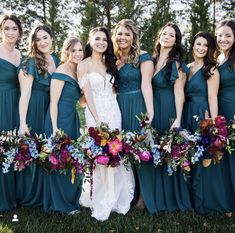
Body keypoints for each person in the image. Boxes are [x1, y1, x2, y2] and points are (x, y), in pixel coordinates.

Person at [77, 27, 135, 221]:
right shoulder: (83, 64)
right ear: (90, 41)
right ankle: (102, 196)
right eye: (97, 39)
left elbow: (113, 90)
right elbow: (88, 95)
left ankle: (116, 196)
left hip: (114, 111)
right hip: (96, 114)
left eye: (104, 39)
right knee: (99, 154)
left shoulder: (110, 62)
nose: (101, 42)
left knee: (115, 151)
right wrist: (97, 119)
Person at [112, 19, 154, 209]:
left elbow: (146, 84)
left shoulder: (143, 57)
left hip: (137, 105)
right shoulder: (113, 58)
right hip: (118, 106)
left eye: (127, 34)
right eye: (120, 33)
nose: (123, 37)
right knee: (123, 151)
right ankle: (128, 193)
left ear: (134, 37)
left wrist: (149, 111)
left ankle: (143, 198)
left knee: (140, 149)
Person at [151, 22, 191, 212]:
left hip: (168, 108)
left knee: (168, 152)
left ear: (176, 42)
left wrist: (178, 118)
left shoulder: (175, 63)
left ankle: (171, 198)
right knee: (155, 151)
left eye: (171, 35)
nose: (166, 37)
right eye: (164, 33)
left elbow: (179, 93)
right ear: (159, 36)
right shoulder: (153, 60)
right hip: (153, 108)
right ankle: (154, 195)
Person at [16, 24, 58, 206]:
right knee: (32, 150)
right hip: (34, 107)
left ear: (51, 38)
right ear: (33, 42)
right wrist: (23, 122)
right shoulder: (29, 62)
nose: (42, 42)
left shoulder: (56, 59)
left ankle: (45, 191)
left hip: (50, 109)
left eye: (45, 38)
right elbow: (24, 94)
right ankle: (29, 194)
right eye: (38, 39)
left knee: (46, 149)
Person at [43, 36, 84, 214]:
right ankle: (60, 204)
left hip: (72, 118)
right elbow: (53, 102)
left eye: (80, 50)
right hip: (58, 120)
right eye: (73, 50)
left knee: (71, 160)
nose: (77, 53)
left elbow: (81, 102)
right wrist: (54, 129)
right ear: (66, 51)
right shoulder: (62, 70)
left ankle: (71, 198)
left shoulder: (78, 71)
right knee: (59, 160)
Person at [182, 32, 219, 213]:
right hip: (186, 112)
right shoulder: (187, 67)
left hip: (201, 113)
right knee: (187, 153)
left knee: (201, 154)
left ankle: (201, 200)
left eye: (205, 45)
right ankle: (187, 197)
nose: (201, 48)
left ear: (209, 48)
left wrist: (213, 123)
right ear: (193, 45)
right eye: (198, 44)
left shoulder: (210, 69)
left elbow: (212, 97)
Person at [0, 13, 22, 212]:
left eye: (14, 28)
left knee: (13, 147)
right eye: (7, 28)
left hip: (16, 103)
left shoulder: (20, 55)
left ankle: (14, 194)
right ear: (1, 30)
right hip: (1, 102)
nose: (11, 32)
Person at [215, 19, 235, 214]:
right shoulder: (219, 57)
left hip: (233, 109)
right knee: (228, 155)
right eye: (220, 35)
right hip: (222, 110)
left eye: (228, 35)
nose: (223, 39)